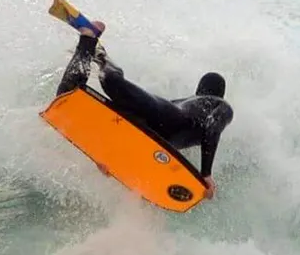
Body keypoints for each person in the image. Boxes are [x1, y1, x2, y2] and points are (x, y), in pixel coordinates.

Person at [56, 20, 233, 199]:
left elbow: (147, 145)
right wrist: (206, 174)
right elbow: (212, 128)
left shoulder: (189, 104)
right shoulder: (222, 106)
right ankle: (98, 50)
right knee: (112, 82)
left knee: (68, 96)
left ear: (200, 89)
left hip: (149, 123)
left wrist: (111, 161)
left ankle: (90, 43)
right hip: (159, 116)